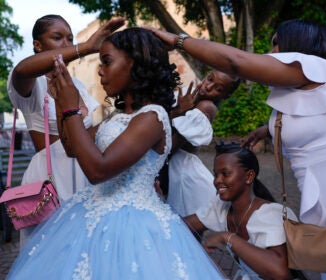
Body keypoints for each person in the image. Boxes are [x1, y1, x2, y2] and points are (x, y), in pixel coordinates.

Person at [7, 26, 225, 279]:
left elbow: (98, 170)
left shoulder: (152, 117)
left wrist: (71, 110)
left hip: (133, 226)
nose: (100, 70)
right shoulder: (118, 117)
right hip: (91, 212)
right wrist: (60, 101)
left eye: (107, 62)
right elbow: (71, 146)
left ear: (133, 64)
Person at [149, 19, 326, 278]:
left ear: (299, 45)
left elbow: (236, 62)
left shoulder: (317, 68)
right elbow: (310, 122)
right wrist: (265, 130)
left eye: (275, 44)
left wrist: (177, 41)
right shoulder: (304, 87)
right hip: (324, 205)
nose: (269, 53)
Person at [7, 15, 125, 248]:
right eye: (57, 38)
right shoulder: (33, 84)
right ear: (38, 46)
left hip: (86, 174)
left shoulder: (78, 86)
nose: (67, 44)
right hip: (50, 182)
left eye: (70, 38)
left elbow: (90, 133)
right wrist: (86, 47)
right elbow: (21, 70)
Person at [184, 142, 298, 279]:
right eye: (216, 174)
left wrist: (227, 237)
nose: (217, 181)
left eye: (225, 174)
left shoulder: (270, 214)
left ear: (249, 176)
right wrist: (158, 205)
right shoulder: (222, 208)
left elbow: (280, 273)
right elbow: (183, 226)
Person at [165, 70, 239, 216]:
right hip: (169, 160)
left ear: (226, 95)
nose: (208, 86)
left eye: (218, 89)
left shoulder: (206, 107)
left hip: (178, 168)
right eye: (209, 79)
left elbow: (171, 146)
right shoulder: (190, 94)